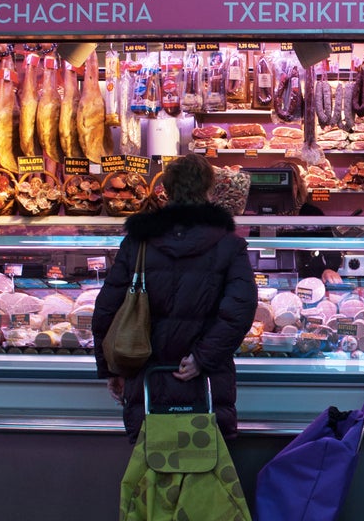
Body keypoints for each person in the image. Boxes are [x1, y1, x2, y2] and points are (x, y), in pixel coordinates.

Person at [93, 153, 258, 443]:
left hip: (146, 374)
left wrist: (111, 368)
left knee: (152, 473)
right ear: (209, 189)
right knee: (205, 475)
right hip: (203, 380)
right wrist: (202, 358)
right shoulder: (229, 244)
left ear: (166, 190)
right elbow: (240, 309)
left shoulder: (138, 242)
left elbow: (107, 307)